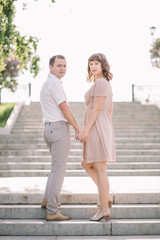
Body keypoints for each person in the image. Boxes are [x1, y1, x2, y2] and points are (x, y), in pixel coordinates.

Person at [40, 55, 81, 221]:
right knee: (59, 170)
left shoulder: (46, 83)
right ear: (50, 67)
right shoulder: (55, 83)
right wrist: (78, 128)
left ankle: (46, 199)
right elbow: (64, 108)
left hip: (49, 129)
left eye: (64, 65)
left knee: (54, 169)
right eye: (58, 65)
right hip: (58, 128)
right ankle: (52, 211)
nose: (62, 68)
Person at [78, 53, 116, 221]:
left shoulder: (101, 82)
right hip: (101, 125)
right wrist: (104, 125)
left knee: (100, 167)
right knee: (86, 163)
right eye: (91, 63)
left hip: (97, 126)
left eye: (96, 63)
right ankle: (105, 195)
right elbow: (109, 111)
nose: (93, 66)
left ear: (103, 66)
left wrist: (86, 129)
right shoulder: (102, 83)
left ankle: (104, 209)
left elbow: (97, 109)